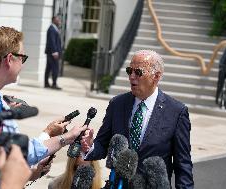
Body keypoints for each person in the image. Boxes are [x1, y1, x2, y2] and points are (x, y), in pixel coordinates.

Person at [0, 26, 87, 188]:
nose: (22, 64)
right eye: (22, 58)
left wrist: (64, 137)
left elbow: (18, 150)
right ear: (9, 59)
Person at [81, 50, 194, 188]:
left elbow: (183, 164)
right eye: (129, 71)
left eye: (138, 72)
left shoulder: (176, 112)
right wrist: (89, 146)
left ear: (156, 76)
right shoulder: (117, 104)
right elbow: (102, 145)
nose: (131, 77)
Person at [44, 16, 62, 90]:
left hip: (50, 52)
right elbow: (52, 41)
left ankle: (46, 83)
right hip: (52, 53)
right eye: (58, 20)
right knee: (55, 68)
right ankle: (54, 84)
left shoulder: (54, 28)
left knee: (48, 68)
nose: (59, 21)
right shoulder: (52, 29)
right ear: (54, 20)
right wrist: (55, 52)